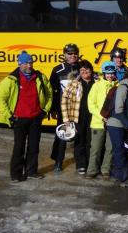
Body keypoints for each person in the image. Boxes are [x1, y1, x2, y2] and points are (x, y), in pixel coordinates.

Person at [0, 51, 52, 182]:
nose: (29, 65)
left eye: (31, 62)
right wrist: (9, 115)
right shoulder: (10, 79)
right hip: (19, 119)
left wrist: (45, 110)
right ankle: (16, 174)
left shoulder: (40, 77)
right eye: (26, 63)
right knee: (19, 147)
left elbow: (49, 95)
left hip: (35, 118)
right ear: (19, 64)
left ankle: (31, 171)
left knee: (34, 146)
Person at [106, 66, 128, 188]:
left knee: (124, 150)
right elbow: (118, 109)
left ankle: (117, 174)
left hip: (125, 124)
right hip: (115, 124)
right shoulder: (123, 87)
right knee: (120, 150)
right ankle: (124, 178)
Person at [60, 60, 96, 175]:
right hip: (78, 117)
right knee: (79, 141)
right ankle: (81, 164)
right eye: (82, 70)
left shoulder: (97, 83)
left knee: (91, 141)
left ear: (91, 70)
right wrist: (66, 119)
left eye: (87, 69)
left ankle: (91, 164)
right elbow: (64, 101)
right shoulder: (73, 84)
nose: (85, 72)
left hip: (93, 118)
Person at [49, 43, 81, 173]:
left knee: (80, 136)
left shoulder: (83, 67)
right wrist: (53, 108)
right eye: (70, 53)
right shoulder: (57, 70)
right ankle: (58, 161)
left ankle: (81, 162)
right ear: (64, 55)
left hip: (79, 108)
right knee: (63, 136)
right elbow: (52, 91)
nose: (73, 56)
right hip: (64, 109)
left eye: (75, 53)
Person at [85, 61, 118, 179]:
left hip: (112, 122)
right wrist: (101, 116)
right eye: (107, 73)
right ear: (103, 73)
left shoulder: (117, 86)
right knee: (96, 148)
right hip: (98, 123)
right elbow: (91, 104)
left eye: (112, 73)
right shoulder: (97, 85)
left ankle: (105, 169)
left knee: (110, 148)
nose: (110, 76)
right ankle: (92, 170)